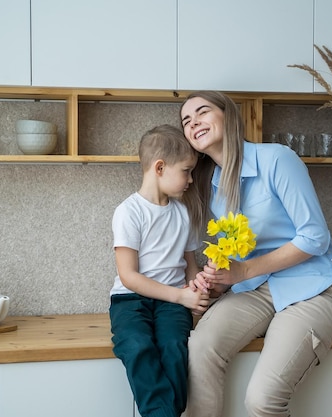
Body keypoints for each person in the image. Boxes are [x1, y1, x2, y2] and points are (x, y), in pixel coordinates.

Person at [179, 91, 332, 417]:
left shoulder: (277, 159)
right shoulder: (214, 186)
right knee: (199, 347)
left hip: (313, 288)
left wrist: (243, 272)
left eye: (202, 112)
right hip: (256, 289)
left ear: (227, 116)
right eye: (186, 121)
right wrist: (217, 281)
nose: (193, 122)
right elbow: (236, 253)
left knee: (262, 400)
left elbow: (315, 237)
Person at [109, 124, 210, 417]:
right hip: (129, 300)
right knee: (137, 345)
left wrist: (197, 290)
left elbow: (190, 265)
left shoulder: (184, 213)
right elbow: (129, 276)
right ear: (160, 167)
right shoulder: (129, 212)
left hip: (173, 303)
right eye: (187, 171)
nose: (191, 179)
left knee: (174, 348)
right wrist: (181, 297)